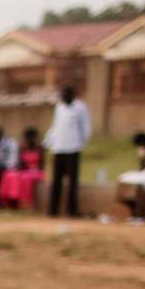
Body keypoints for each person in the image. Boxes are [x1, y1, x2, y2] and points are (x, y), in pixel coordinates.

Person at [43, 84, 91, 218]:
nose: (62, 97)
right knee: (56, 181)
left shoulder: (80, 107)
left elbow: (86, 126)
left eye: (65, 95)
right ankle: (53, 210)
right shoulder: (59, 107)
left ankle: (72, 210)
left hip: (73, 148)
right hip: (59, 148)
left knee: (72, 181)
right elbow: (55, 126)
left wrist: (82, 142)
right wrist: (48, 141)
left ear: (71, 95)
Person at [0, 127, 45, 211]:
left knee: (25, 178)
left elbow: (41, 166)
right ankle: (11, 202)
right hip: (25, 171)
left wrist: (32, 168)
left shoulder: (40, 148)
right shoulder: (23, 148)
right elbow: (20, 164)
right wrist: (24, 168)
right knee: (8, 175)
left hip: (36, 172)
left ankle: (26, 204)